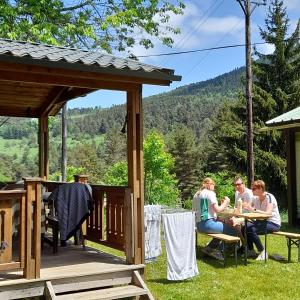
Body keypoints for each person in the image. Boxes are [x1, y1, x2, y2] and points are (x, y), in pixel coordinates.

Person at [193, 177, 237, 260]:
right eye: (214, 185)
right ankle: (218, 251)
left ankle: (209, 248)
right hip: (208, 224)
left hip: (198, 224)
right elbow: (218, 210)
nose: (214, 187)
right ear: (209, 184)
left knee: (222, 229)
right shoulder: (210, 193)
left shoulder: (197, 194)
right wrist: (226, 203)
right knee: (233, 230)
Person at [243, 180, 281, 260]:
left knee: (251, 228)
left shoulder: (269, 197)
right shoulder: (255, 198)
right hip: (261, 222)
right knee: (244, 227)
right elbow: (249, 207)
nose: (252, 190)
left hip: (273, 223)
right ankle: (251, 250)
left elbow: (268, 213)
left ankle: (263, 252)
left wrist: (254, 209)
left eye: (254, 189)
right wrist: (245, 206)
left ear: (260, 188)